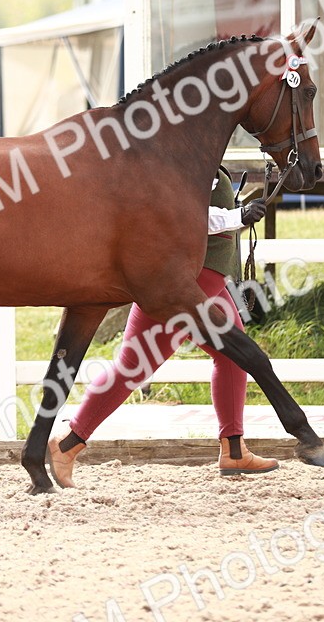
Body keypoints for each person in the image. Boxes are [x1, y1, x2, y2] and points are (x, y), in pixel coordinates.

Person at [48, 165, 274, 486]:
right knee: (133, 367)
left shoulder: (200, 151)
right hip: (183, 283)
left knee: (233, 356)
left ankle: (234, 450)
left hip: (207, 278)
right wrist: (238, 217)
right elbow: (185, 213)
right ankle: (68, 444)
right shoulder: (184, 155)